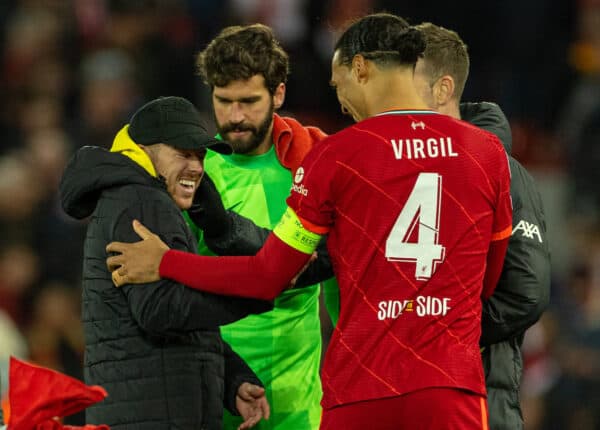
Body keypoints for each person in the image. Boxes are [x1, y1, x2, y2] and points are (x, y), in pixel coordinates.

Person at [107, 13, 513, 429]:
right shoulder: (485, 152)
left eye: (338, 86)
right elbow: (488, 279)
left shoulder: (335, 155)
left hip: (358, 388)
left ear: (360, 69)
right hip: (448, 386)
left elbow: (267, 275)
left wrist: (166, 262)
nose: (340, 101)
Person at [59, 96, 272, 430]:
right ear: (146, 151)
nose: (197, 167)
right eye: (183, 154)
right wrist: (253, 290)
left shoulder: (130, 197)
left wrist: (232, 380)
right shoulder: (143, 201)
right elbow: (160, 309)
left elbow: (166, 316)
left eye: (200, 156)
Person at [185, 24, 332, 430]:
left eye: (249, 101)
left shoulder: (314, 163)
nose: (235, 117)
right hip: (216, 394)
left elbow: (336, 277)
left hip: (297, 405)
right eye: (223, 101)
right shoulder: (194, 172)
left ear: (278, 94)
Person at [412, 22, 551, 430]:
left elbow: (526, 291)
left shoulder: (503, 171)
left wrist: (435, 328)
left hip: (482, 397)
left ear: (442, 90)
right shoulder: (397, 171)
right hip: (408, 396)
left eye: (406, 87)